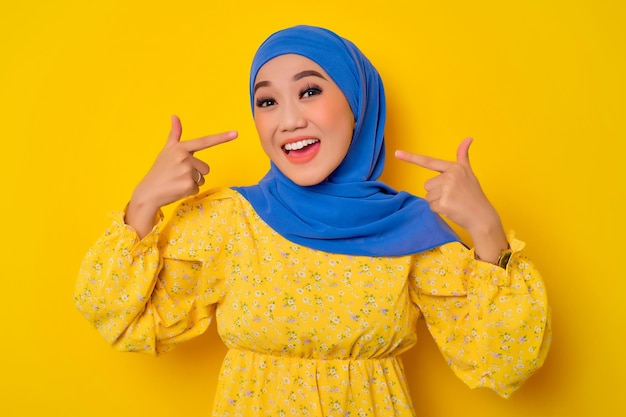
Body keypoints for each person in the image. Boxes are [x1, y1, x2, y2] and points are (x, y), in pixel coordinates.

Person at [75, 25, 551, 416]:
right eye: (268, 101)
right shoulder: (228, 219)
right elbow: (123, 321)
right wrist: (143, 206)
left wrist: (487, 230)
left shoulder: (410, 229)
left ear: (357, 104)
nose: (288, 120)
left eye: (309, 91)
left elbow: (504, 362)